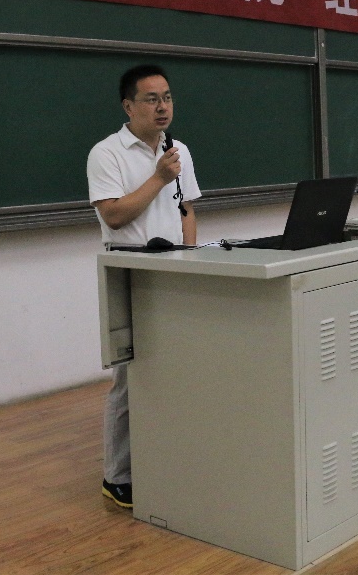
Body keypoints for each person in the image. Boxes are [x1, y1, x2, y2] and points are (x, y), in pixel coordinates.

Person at [87, 64, 201, 509]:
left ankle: (166, 459)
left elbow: (186, 208)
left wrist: (191, 256)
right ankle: (118, 477)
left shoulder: (179, 149)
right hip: (130, 269)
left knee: (174, 371)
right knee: (129, 377)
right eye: (151, 99)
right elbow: (114, 215)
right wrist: (158, 177)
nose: (162, 107)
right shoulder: (107, 153)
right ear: (128, 106)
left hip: (175, 268)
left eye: (167, 97)